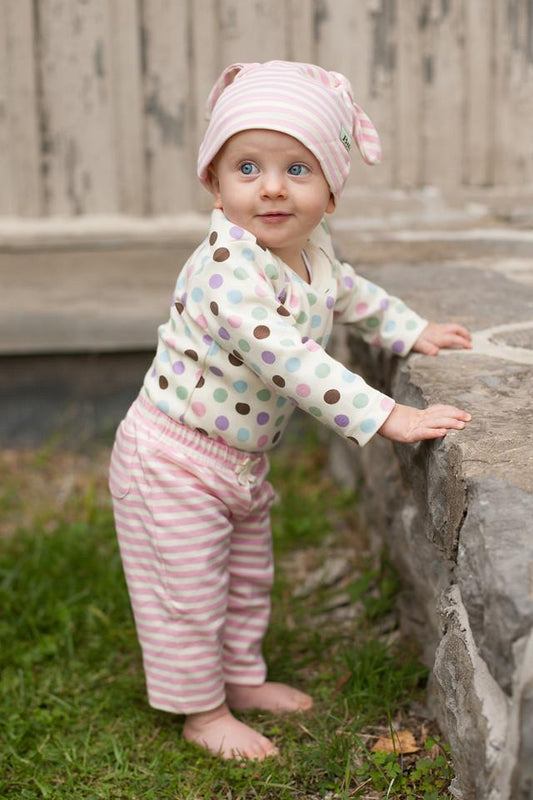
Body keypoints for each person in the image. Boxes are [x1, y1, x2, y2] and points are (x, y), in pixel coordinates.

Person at [109, 60, 472, 762]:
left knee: (247, 575)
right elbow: (288, 360)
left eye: (297, 170)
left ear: (330, 195)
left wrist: (407, 331)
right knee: (187, 593)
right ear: (213, 185)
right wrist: (382, 415)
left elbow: (350, 294)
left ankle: (241, 677)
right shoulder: (226, 272)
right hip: (171, 459)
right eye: (247, 167)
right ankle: (202, 711)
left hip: (238, 459)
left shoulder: (309, 251)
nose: (272, 187)